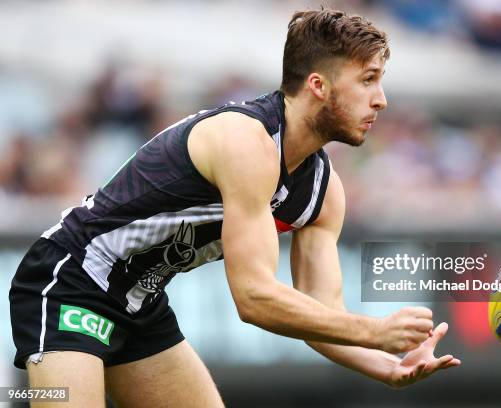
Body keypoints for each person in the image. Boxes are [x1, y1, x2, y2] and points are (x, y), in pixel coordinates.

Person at [9, 9, 460, 407]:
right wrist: (373, 331)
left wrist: (386, 364)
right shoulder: (246, 142)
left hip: (140, 303)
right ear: (318, 86)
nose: (381, 99)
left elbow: (320, 312)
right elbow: (254, 298)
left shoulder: (323, 190)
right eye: (367, 80)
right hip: (69, 280)